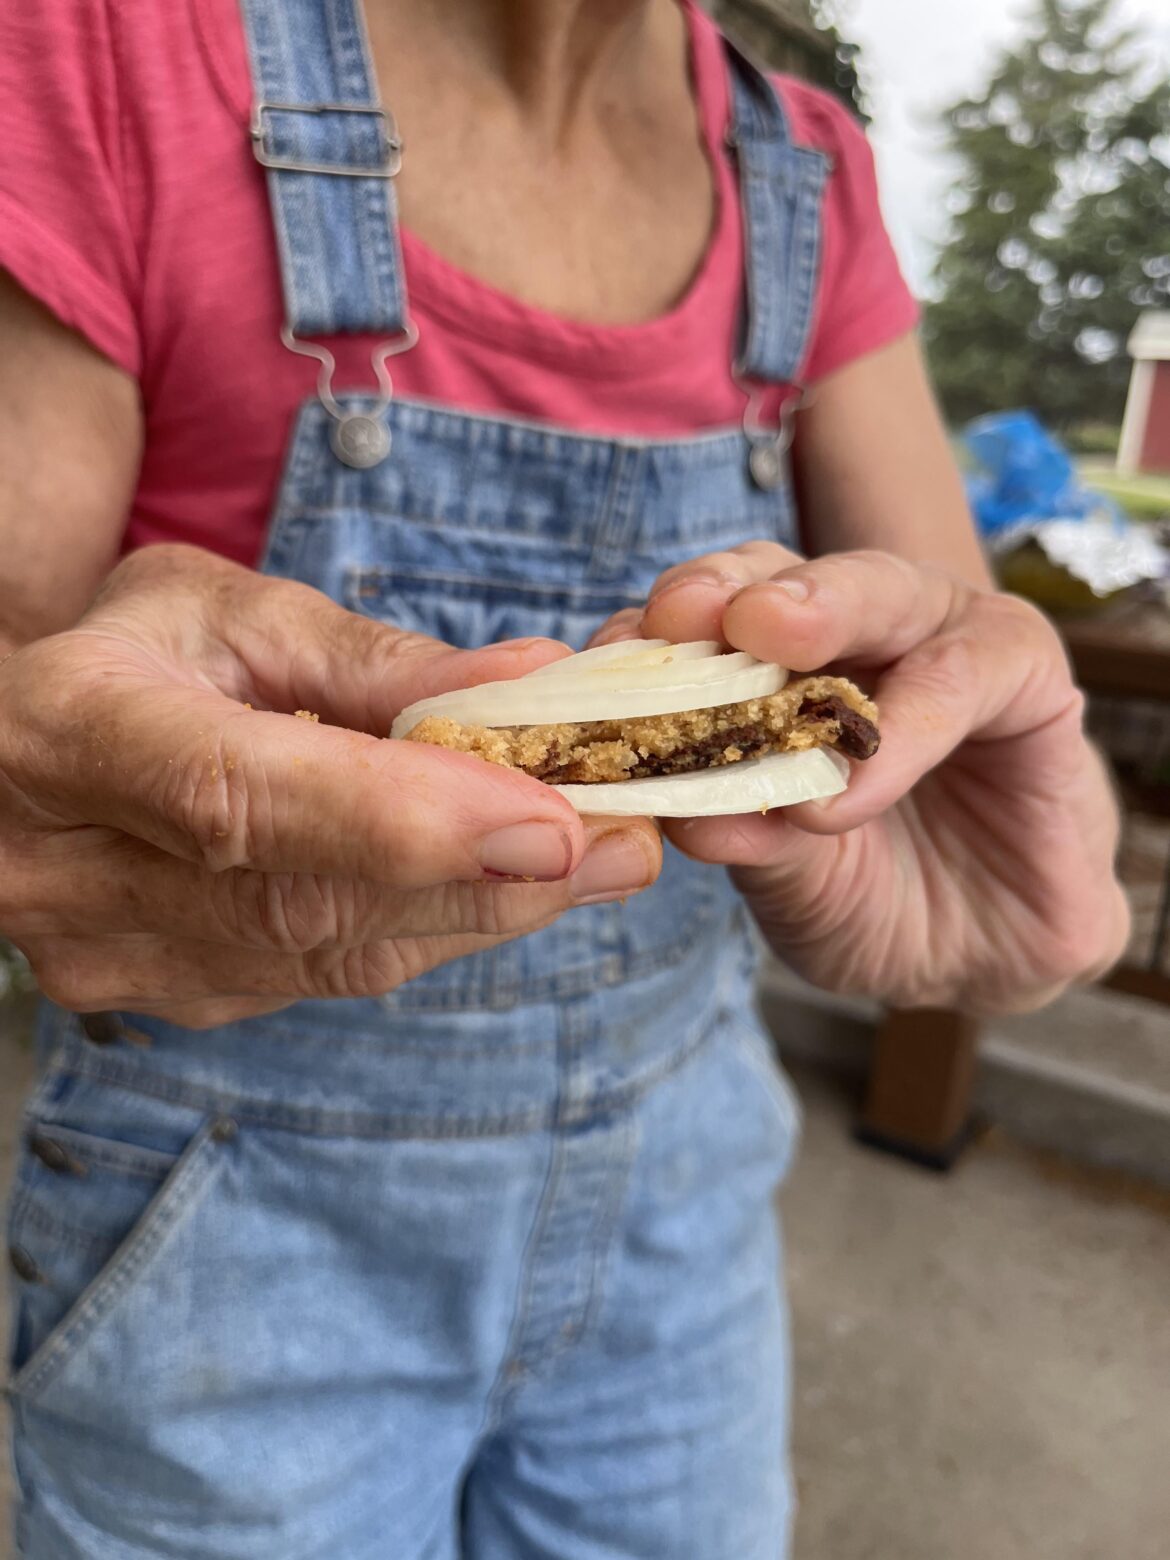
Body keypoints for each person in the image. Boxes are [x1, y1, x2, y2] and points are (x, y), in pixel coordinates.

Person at [0, 0, 1127, 1555]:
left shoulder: (808, 173)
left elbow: (950, 695)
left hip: (691, 1200)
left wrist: (982, 788)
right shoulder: (96, 53)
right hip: (226, 1228)